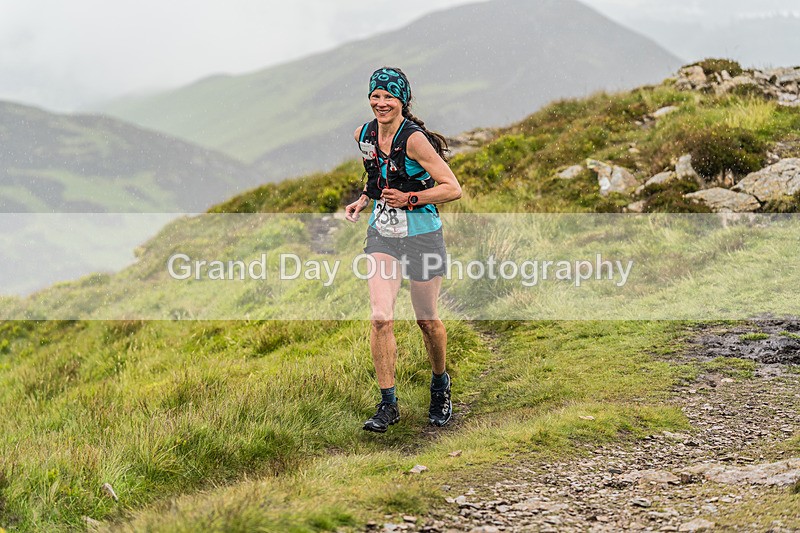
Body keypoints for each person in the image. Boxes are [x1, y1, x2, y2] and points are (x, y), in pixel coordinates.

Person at [345, 67, 462, 433]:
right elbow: (377, 175)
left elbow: (452, 188)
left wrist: (410, 198)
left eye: (389, 97)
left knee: (426, 320)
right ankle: (388, 404)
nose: (381, 103)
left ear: (402, 101)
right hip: (383, 234)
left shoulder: (415, 141)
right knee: (380, 317)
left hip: (422, 235)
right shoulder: (363, 134)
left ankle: (440, 384)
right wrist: (365, 198)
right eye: (375, 96)